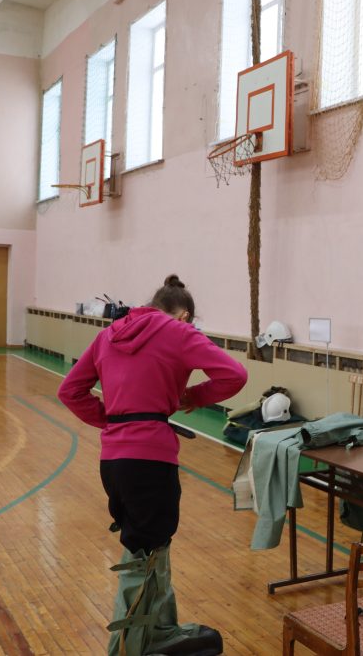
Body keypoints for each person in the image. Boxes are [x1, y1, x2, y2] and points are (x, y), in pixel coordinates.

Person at [58, 275, 247, 656]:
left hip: (113, 461)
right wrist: (191, 396)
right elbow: (235, 375)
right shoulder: (179, 332)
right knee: (142, 555)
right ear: (185, 315)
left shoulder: (109, 334)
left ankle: (160, 631)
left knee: (153, 548)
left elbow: (70, 391)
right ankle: (126, 647)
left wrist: (112, 420)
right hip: (151, 459)